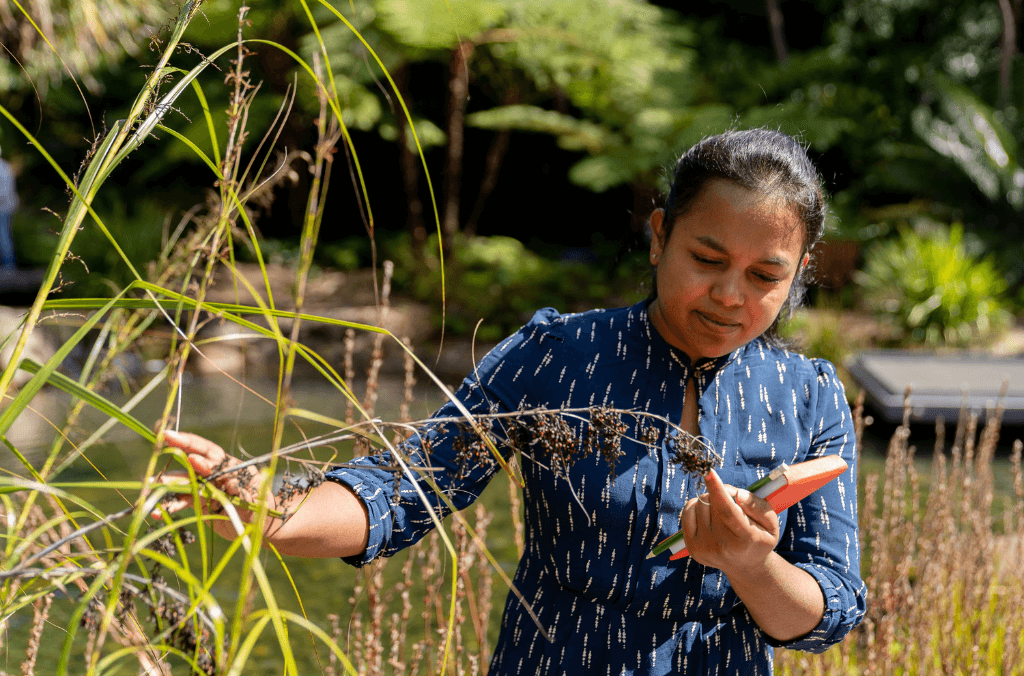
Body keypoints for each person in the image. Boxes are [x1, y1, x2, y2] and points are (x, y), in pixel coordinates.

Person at [163, 128, 866, 674]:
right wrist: (269, 512)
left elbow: (828, 610)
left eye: (765, 276)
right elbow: (407, 487)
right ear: (659, 237)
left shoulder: (811, 399)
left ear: (799, 274)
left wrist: (749, 563)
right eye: (707, 260)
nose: (731, 294)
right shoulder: (556, 355)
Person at [0, 145, 18, 268]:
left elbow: (4, 192)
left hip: (3, 208)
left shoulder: (2, 168)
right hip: (7, 206)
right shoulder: (5, 166)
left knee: (3, 236)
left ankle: (9, 266)